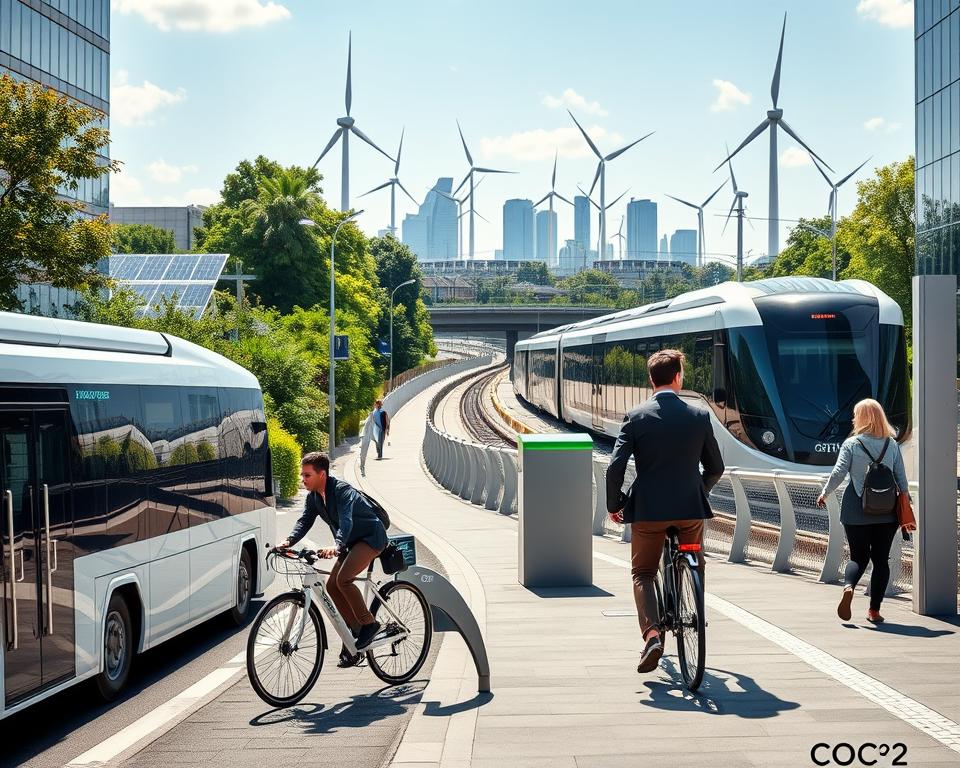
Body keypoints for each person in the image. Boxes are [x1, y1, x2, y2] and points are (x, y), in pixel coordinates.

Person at [606, 349, 724, 674]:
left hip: (649, 511)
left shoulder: (636, 417)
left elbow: (615, 467)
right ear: (677, 377)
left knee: (643, 573)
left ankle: (653, 634)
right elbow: (716, 467)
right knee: (694, 559)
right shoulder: (699, 416)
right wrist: (698, 490)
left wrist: (615, 504)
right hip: (689, 510)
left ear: (651, 379)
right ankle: (694, 585)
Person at [279, 452, 389, 666]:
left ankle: (369, 625)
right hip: (350, 542)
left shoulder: (342, 491)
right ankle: (355, 632)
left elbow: (346, 520)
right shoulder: (314, 498)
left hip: (370, 538)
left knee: (344, 579)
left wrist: (337, 546)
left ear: (322, 474)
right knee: (332, 586)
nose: (303, 479)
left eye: (307, 475)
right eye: (302, 475)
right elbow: (304, 521)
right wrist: (288, 541)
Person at [816, 399, 913, 624]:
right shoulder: (892, 445)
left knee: (858, 556)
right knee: (881, 560)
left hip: (855, 508)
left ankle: (849, 587)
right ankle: (874, 611)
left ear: (859, 418)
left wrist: (825, 493)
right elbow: (902, 479)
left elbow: (839, 473)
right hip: (887, 511)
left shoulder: (851, 444)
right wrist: (905, 503)